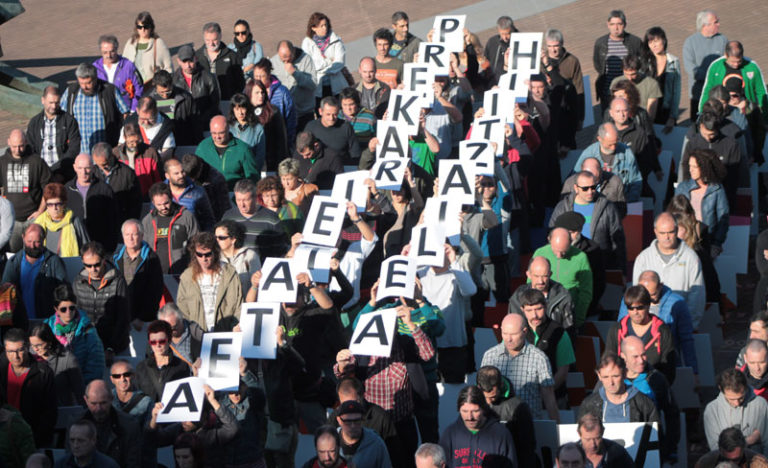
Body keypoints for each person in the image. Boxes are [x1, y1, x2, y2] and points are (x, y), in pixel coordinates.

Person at [480, 313, 559, 422]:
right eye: (505, 333)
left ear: (525, 331)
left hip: (529, 423)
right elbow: (483, 394)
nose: (509, 339)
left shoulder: (539, 358)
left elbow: (549, 397)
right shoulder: (490, 356)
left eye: (513, 334)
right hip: (497, 424)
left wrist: (556, 429)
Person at [633, 212, 706, 328]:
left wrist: (689, 325)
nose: (667, 237)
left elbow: (697, 297)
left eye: (670, 232)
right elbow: (636, 296)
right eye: (662, 233)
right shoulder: (643, 258)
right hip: (649, 327)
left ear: (677, 230)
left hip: (679, 324)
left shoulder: (691, 258)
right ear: (655, 231)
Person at [618, 270, 698, 373]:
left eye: (652, 295)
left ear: (660, 286)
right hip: (632, 366)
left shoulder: (677, 303)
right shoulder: (628, 300)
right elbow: (620, 333)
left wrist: (693, 371)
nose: (647, 301)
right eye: (643, 295)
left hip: (664, 365)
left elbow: (686, 340)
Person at [620, 336, 680, 462]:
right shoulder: (612, 378)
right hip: (619, 446)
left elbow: (672, 414)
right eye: (635, 357)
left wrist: (669, 448)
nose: (641, 360)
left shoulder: (657, 379)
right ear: (623, 356)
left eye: (643, 355)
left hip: (650, 447)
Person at [550, 170, 626, 270]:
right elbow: (551, 235)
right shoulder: (562, 207)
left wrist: (621, 270)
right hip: (569, 262)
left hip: (598, 263)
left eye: (593, 187)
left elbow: (618, 241)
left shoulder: (607, 207)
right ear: (576, 188)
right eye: (585, 189)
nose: (590, 192)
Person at [605, 285, 676, 383]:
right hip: (622, 386)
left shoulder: (663, 331)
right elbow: (609, 362)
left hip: (652, 387)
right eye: (631, 308)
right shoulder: (616, 330)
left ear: (648, 305)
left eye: (640, 307)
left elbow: (669, 370)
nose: (635, 312)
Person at [73, 241, 131, 358]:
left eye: (97, 264)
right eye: (88, 265)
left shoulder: (117, 281)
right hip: (87, 346)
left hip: (115, 347)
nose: (93, 269)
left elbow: (123, 318)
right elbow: (76, 316)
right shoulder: (78, 282)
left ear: (104, 260)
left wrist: (111, 347)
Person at [0, 327, 57, 447]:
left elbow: (49, 412)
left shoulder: (43, 373)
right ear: (5, 350)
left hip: (32, 438)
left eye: (20, 350)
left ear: (27, 348)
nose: (15, 356)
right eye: (10, 351)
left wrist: (36, 440)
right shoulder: (1, 368)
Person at [516, 288, 576, 400]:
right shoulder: (516, 329)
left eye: (538, 309)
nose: (535, 315)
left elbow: (563, 371)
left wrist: (546, 393)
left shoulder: (559, 332)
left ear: (546, 306)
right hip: (522, 397)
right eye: (529, 310)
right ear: (522, 310)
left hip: (554, 397)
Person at [176, 232, 242, 332]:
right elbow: (182, 309)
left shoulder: (229, 273)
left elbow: (238, 305)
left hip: (225, 333)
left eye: (208, 254)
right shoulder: (187, 277)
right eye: (199, 254)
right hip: (197, 335)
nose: (204, 258)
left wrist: (234, 326)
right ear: (194, 254)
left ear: (215, 252)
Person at [439, 385, 517, 468]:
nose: (470, 417)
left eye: (475, 411)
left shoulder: (501, 434)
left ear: (483, 409)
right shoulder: (450, 434)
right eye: (465, 411)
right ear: (459, 410)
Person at [476, 366, 537, 467]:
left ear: (501, 385)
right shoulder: (472, 403)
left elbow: (527, 447)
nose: (488, 402)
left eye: (493, 397)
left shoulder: (519, 407)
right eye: (485, 397)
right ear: (479, 387)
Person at [43, 283, 104, 384]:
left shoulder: (87, 327)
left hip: (81, 384)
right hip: (54, 384)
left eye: (72, 308)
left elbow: (96, 362)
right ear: (56, 309)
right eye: (63, 309)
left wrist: (83, 386)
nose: (68, 312)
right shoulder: (47, 327)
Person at [0, 128, 51, 252]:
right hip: (12, 221)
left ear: (26, 142)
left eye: (21, 146)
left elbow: (48, 188)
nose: (18, 150)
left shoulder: (36, 161)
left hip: (33, 218)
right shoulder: (2, 162)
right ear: (8, 142)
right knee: (11, 254)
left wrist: (40, 211)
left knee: (35, 252)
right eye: (14, 146)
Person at [2, 223, 66, 321]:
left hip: (47, 321)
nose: (32, 246)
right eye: (29, 241)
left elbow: (64, 292)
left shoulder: (54, 262)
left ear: (44, 239)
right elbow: (4, 294)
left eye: (37, 242)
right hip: (21, 322)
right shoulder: (13, 263)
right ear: (23, 237)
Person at [532, 227, 592, 329]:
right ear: (549, 240)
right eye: (555, 251)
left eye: (564, 251)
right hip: (541, 315)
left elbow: (586, 292)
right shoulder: (539, 253)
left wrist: (578, 319)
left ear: (571, 243)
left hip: (568, 315)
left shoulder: (581, 258)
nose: (559, 256)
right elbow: (530, 286)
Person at [62, 62, 129, 152]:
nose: (85, 87)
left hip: (105, 148)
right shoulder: (71, 92)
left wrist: (118, 135)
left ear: (95, 78)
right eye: (81, 83)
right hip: (79, 150)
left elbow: (125, 112)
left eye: (88, 83)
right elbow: (62, 115)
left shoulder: (109, 90)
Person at [577, 351, 659, 424]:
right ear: (599, 375)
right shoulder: (589, 405)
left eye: (615, 376)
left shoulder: (644, 403)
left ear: (624, 374)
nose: (611, 382)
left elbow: (656, 436)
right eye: (605, 377)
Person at [675, 148, 730, 255]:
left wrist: (716, 244)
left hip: (706, 241)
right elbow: (675, 216)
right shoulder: (682, 188)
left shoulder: (717, 189)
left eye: (695, 167)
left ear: (705, 168)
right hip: (684, 241)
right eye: (690, 166)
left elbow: (723, 220)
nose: (691, 169)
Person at [679, 112, 740, 204]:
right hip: (695, 191)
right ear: (700, 127)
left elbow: (734, 174)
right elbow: (685, 165)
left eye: (712, 134)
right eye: (705, 134)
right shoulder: (693, 143)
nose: (708, 138)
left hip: (721, 193)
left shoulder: (731, 145)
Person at [701, 41, 768, 123]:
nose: (736, 64)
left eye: (739, 61)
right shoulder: (715, 67)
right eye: (732, 62)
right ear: (726, 55)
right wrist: (701, 113)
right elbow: (707, 90)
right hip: (721, 114)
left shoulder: (752, 67)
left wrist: (765, 116)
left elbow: (761, 92)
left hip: (747, 112)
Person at [705, 368, 768, 455]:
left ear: (746, 387)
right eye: (731, 399)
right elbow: (716, 449)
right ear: (721, 389)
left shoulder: (761, 405)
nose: (737, 403)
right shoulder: (712, 410)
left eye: (741, 398)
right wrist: (749, 440)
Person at [574, 122, 642, 203]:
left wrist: (629, 202)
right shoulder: (588, 154)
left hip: (621, 201)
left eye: (616, 143)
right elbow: (575, 178)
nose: (613, 148)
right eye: (610, 145)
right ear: (599, 139)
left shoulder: (626, 153)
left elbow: (636, 181)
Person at [65, 153, 120, 252]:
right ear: (74, 168)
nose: (83, 172)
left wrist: (110, 245)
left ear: (93, 168)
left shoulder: (104, 189)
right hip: (75, 243)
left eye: (87, 168)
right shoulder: (67, 189)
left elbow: (113, 220)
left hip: (100, 243)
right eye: (80, 168)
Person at [218, 357, 267, 467]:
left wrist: (244, 373)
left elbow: (258, 394)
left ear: (245, 385)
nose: (235, 394)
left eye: (239, 388)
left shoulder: (252, 402)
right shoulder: (219, 404)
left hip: (251, 461)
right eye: (231, 390)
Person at [80, 379, 141, 467]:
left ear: (111, 399)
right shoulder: (75, 423)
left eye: (103, 403)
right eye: (94, 404)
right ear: (86, 400)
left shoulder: (129, 425)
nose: (98, 409)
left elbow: (133, 463)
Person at [222, 178, 287, 259]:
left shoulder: (271, 218)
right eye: (238, 200)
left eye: (246, 200)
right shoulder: (228, 217)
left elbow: (280, 251)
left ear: (255, 198)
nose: (242, 205)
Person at [142, 182, 199, 273]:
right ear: (153, 203)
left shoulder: (186, 216)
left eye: (166, 203)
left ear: (171, 198)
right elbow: (144, 248)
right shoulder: (147, 220)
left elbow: (195, 244)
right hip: (156, 272)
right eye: (159, 205)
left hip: (181, 272)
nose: (163, 207)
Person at [26, 86, 80, 181]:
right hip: (40, 173)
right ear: (43, 100)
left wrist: (59, 170)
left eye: (57, 103)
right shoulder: (34, 123)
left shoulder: (69, 121)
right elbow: (30, 148)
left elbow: (74, 149)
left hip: (63, 173)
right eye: (51, 103)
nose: (54, 106)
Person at [593, 10, 643, 110]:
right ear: (608, 25)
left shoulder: (635, 42)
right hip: (608, 91)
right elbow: (598, 64)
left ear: (625, 24)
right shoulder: (601, 43)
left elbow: (642, 64)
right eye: (612, 24)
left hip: (629, 91)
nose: (616, 28)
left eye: (619, 24)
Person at [683, 10, 728, 122]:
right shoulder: (690, 42)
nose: (719, 24)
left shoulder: (723, 40)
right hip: (698, 94)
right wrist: (710, 77)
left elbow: (727, 62)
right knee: (697, 123)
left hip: (718, 94)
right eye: (715, 22)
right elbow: (690, 67)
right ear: (705, 25)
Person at [510, 256, 574, 330]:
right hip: (526, 340)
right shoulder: (518, 296)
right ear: (528, 275)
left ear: (550, 274)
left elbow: (569, 329)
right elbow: (513, 327)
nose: (541, 281)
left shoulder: (562, 296)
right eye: (536, 276)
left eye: (545, 276)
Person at [195, 115, 258, 190]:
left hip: (235, 195)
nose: (217, 136)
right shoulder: (203, 147)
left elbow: (253, 178)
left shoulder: (243, 149)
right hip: (209, 195)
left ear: (228, 129)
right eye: (214, 133)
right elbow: (195, 175)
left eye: (221, 133)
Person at [29, 323, 85, 405]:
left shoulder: (67, 360)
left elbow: (79, 392)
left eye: (39, 345)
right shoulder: (29, 356)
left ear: (49, 341)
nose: (35, 349)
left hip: (61, 410)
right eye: (32, 345)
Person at [135, 320, 190, 400]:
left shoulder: (181, 366)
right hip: (148, 411)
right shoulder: (141, 367)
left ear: (169, 340)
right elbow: (137, 396)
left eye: (162, 341)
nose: (158, 345)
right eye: (153, 342)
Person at [271, 39, 318, 131]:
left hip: (304, 113)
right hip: (285, 114)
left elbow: (312, 85)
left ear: (293, 51)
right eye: (282, 59)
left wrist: (295, 73)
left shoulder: (306, 60)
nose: (286, 62)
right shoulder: (273, 62)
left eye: (288, 58)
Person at [91, 142, 143, 224]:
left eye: (104, 164)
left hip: (121, 221)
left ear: (111, 156)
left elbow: (135, 203)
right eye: (98, 164)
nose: (101, 167)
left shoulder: (127, 173)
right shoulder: (92, 173)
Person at [542, 29, 585, 128]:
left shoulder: (572, 61)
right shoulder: (541, 62)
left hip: (568, 109)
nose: (553, 50)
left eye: (556, 46)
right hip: (549, 110)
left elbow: (579, 89)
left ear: (562, 44)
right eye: (550, 46)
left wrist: (580, 117)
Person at [34, 182, 89, 257]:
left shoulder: (74, 221)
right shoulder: (38, 223)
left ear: (64, 203)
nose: (54, 208)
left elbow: (87, 248)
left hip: (68, 265)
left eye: (58, 204)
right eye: (50, 204)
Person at [172, 44, 221, 128]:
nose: (188, 65)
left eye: (190, 61)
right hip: (184, 126)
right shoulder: (174, 81)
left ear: (196, 58)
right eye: (184, 62)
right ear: (178, 61)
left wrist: (200, 120)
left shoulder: (208, 77)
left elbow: (215, 104)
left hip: (205, 125)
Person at [302, 12, 347, 101]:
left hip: (336, 86)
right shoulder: (307, 43)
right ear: (313, 28)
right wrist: (329, 61)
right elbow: (309, 65)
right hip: (317, 88)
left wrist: (320, 70)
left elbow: (339, 63)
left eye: (326, 25)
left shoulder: (336, 40)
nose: (325, 28)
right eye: (321, 26)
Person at [147, 70, 199, 146]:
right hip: (160, 142)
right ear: (155, 87)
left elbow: (195, 122)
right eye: (161, 92)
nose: (165, 95)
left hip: (182, 140)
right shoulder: (149, 101)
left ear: (172, 84)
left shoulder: (185, 97)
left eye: (168, 92)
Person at [561, 157, 626, 218]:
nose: (591, 183)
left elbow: (622, 210)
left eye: (595, 181)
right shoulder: (570, 183)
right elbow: (563, 209)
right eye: (585, 188)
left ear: (601, 172)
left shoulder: (615, 182)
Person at [334, 400, 391, 468]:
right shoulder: (330, 441)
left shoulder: (375, 443)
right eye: (348, 421)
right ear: (339, 420)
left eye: (357, 421)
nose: (353, 426)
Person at [93, 35, 144, 112]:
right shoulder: (95, 68)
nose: (109, 55)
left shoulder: (128, 66)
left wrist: (133, 109)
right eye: (105, 52)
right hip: (103, 111)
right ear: (100, 51)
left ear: (117, 49)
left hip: (124, 110)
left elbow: (139, 88)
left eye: (112, 51)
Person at [247, 78, 289, 171]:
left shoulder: (273, 111)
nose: (260, 95)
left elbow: (281, 140)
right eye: (257, 93)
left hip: (270, 161)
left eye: (262, 92)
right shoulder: (244, 113)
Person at [252, 58, 297, 144]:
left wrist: (288, 140)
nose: (258, 79)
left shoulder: (282, 92)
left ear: (269, 75)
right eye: (256, 76)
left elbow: (290, 117)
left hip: (278, 138)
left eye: (262, 76)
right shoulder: (249, 90)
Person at [195, 22, 244, 100]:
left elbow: (240, 83)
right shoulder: (196, 57)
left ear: (220, 36)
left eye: (214, 40)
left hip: (227, 101)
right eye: (208, 40)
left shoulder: (232, 56)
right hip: (204, 103)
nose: (211, 44)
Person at [644, 27, 681, 130]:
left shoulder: (673, 61)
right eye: (650, 42)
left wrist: (672, 117)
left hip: (665, 109)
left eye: (656, 41)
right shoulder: (644, 61)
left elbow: (676, 91)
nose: (653, 45)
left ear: (663, 41)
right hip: (647, 109)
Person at [305, 96, 361, 165]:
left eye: (335, 115)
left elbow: (355, 154)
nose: (331, 118)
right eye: (328, 114)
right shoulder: (311, 127)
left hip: (341, 167)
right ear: (320, 111)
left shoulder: (346, 127)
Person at [164, 158, 215, 231]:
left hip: (193, 237)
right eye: (176, 173)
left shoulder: (197, 191)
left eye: (182, 172)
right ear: (167, 175)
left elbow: (208, 219)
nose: (181, 175)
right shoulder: (160, 192)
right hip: (167, 237)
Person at [122, 11, 172, 85]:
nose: (143, 30)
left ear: (151, 27)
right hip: (133, 88)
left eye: (146, 27)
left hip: (152, 88)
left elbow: (169, 69)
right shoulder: (130, 43)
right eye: (139, 27)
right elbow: (123, 65)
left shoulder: (158, 43)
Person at [112, 121, 162, 196]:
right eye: (131, 142)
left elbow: (158, 178)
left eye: (137, 141)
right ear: (125, 138)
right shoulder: (115, 154)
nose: (135, 145)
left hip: (147, 194)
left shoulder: (150, 152)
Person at [214, 219, 261, 295]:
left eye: (221, 238)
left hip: (244, 303)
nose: (217, 240)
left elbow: (258, 284)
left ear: (233, 239)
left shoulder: (249, 255)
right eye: (215, 237)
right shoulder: (214, 257)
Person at [610, 55, 663, 120]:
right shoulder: (616, 82)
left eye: (633, 74)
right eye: (626, 74)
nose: (629, 78)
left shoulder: (651, 84)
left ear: (639, 70)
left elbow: (651, 114)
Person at [227, 92, 266, 173]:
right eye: (237, 109)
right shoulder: (228, 128)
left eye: (243, 108)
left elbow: (260, 157)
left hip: (250, 173)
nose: (240, 113)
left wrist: (252, 173)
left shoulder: (257, 129)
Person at [157, 303, 204, 367]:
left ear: (181, 319)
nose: (169, 331)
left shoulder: (197, 334)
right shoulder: (157, 338)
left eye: (173, 328)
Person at [695, 427, 768, 468]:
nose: (731, 463)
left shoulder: (760, 464)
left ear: (744, 448)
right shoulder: (705, 463)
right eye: (726, 459)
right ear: (720, 449)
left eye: (736, 459)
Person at [109, 359, 152, 424]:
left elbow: (149, 430)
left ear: (133, 376)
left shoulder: (146, 401)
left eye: (126, 374)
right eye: (117, 376)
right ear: (112, 379)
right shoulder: (106, 399)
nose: (122, 379)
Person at [484, 16, 517, 84]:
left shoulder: (520, 41)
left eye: (507, 34)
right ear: (498, 30)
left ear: (512, 29)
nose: (505, 37)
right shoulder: (492, 42)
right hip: (496, 81)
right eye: (502, 34)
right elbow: (486, 60)